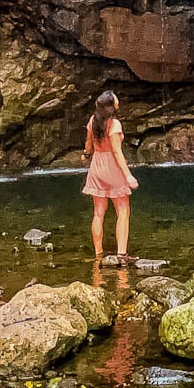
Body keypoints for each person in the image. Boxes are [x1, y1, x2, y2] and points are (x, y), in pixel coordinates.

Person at [82, 90, 138, 264]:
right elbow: (116, 152)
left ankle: (98, 254)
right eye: (116, 100)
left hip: (96, 166)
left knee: (98, 212)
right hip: (112, 168)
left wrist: (86, 154)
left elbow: (88, 144)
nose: (118, 102)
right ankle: (121, 254)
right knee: (123, 210)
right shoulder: (114, 125)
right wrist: (128, 176)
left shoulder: (93, 121)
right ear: (110, 107)